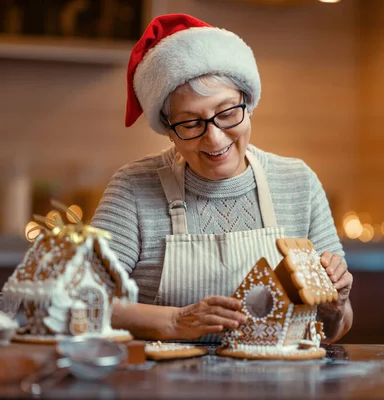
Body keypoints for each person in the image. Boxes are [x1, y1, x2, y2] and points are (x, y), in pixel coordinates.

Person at [91, 13, 353, 343]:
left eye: (227, 113)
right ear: (168, 131)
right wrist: (174, 321)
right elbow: (80, 300)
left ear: (249, 104)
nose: (214, 139)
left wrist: (335, 304)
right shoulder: (134, 188)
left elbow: (334, 329)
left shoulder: (298, 183)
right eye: (189, 124)